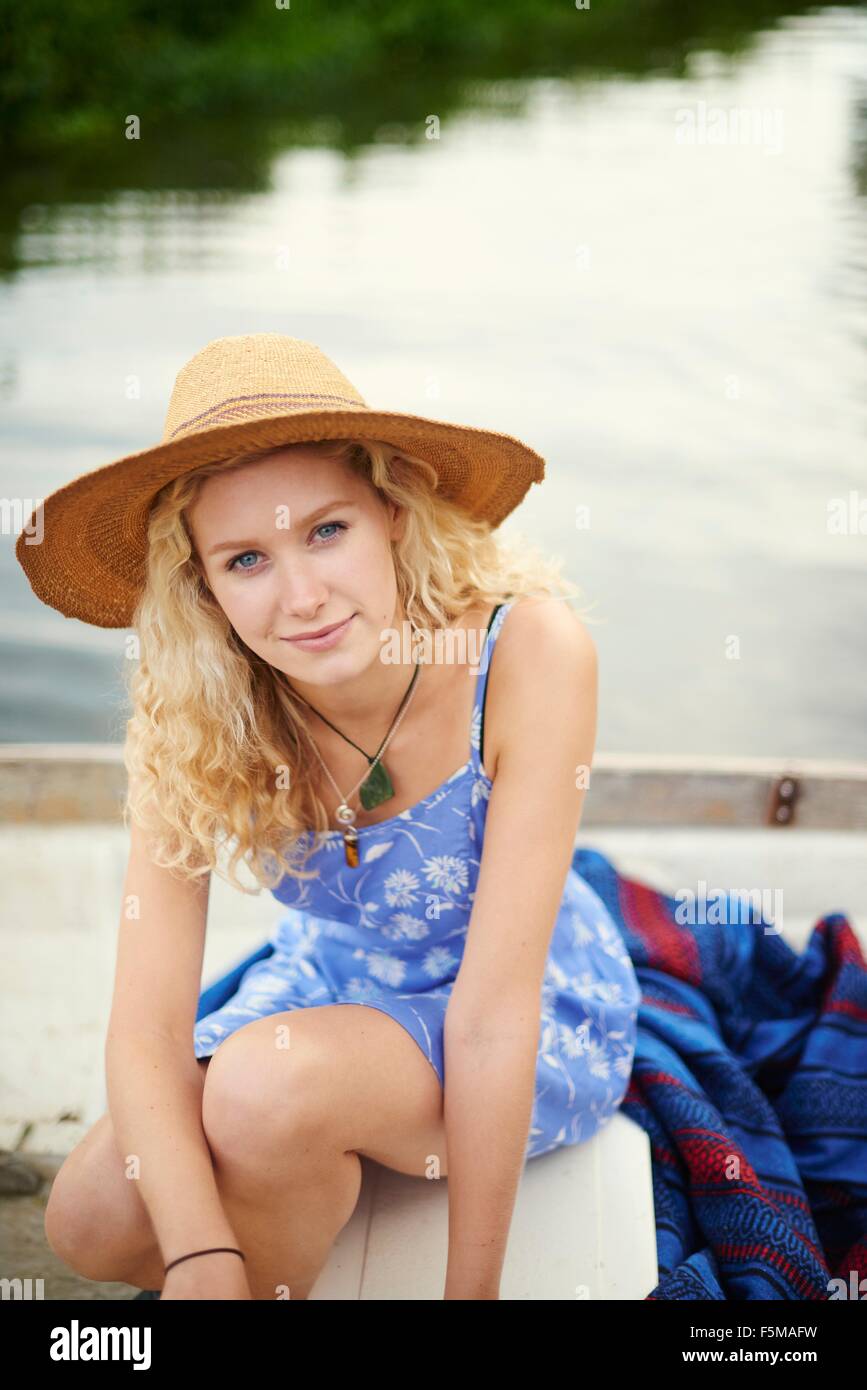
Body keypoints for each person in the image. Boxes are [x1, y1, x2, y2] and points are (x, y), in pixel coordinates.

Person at [16, 333, 641, 1301]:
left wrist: (469, 1296)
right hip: (335, 987)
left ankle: (304, 1160)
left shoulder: (525, 655)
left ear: (391, 510)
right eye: (246, 558)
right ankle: (293, 1199)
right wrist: (199, 1256)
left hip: (521, 1005)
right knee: (91, 1218)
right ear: (204, 589)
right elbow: (142, 1033)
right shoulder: (192, 716)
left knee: (262, 1092)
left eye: (326, 531)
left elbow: (491, 1017)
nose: (302, 598)